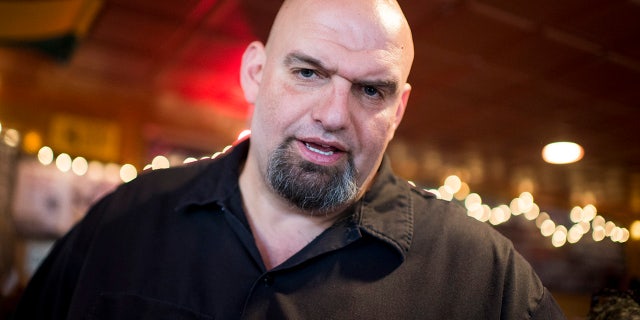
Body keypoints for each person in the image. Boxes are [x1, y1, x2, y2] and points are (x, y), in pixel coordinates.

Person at [13, 0, 566, 318]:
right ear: (256, 74)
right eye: (308, 73)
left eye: (370, 91)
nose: (333, 115)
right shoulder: (125, 222)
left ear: (398, 110)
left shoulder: (482, 277)